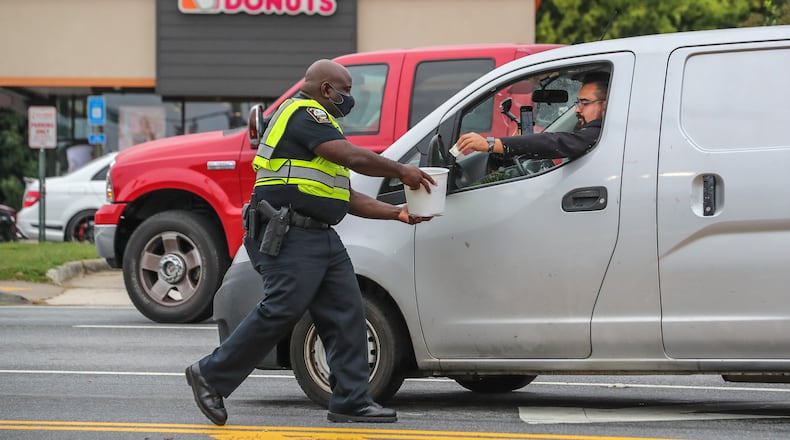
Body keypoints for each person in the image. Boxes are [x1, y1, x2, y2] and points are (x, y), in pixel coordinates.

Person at [185, 59, 435, 426]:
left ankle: (350, 399)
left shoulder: (324, 127)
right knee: (282, 309)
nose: (349, 98)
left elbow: (344, 196)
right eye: (345, 91)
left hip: (318, 234)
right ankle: (210, 374)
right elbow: (351, 157)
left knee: (347, 309)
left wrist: (395, 213)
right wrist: (401, 171)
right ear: (325, 90)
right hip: (287, 233)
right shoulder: (304, 113)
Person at [455, 72, 609, 159]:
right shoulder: (596, 132)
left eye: (585, 102)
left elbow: (555, 142)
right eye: (577, 102)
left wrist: (491, 144)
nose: (577, 109)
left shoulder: (599, 133)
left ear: (605, 104)